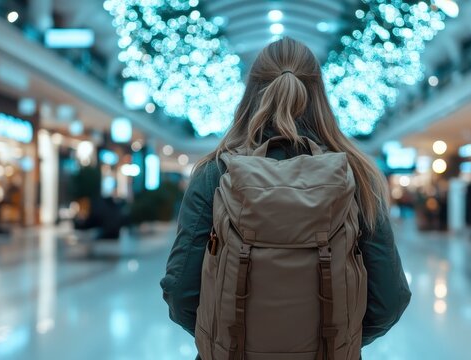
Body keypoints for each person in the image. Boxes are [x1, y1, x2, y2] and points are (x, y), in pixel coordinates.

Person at [160, 37, 411, 359]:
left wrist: (226, 340)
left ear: (250, 92)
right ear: (319, 95)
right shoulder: (357, 174)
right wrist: (338, 342)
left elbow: (181, 293)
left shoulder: (215, 174)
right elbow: (390, 299)